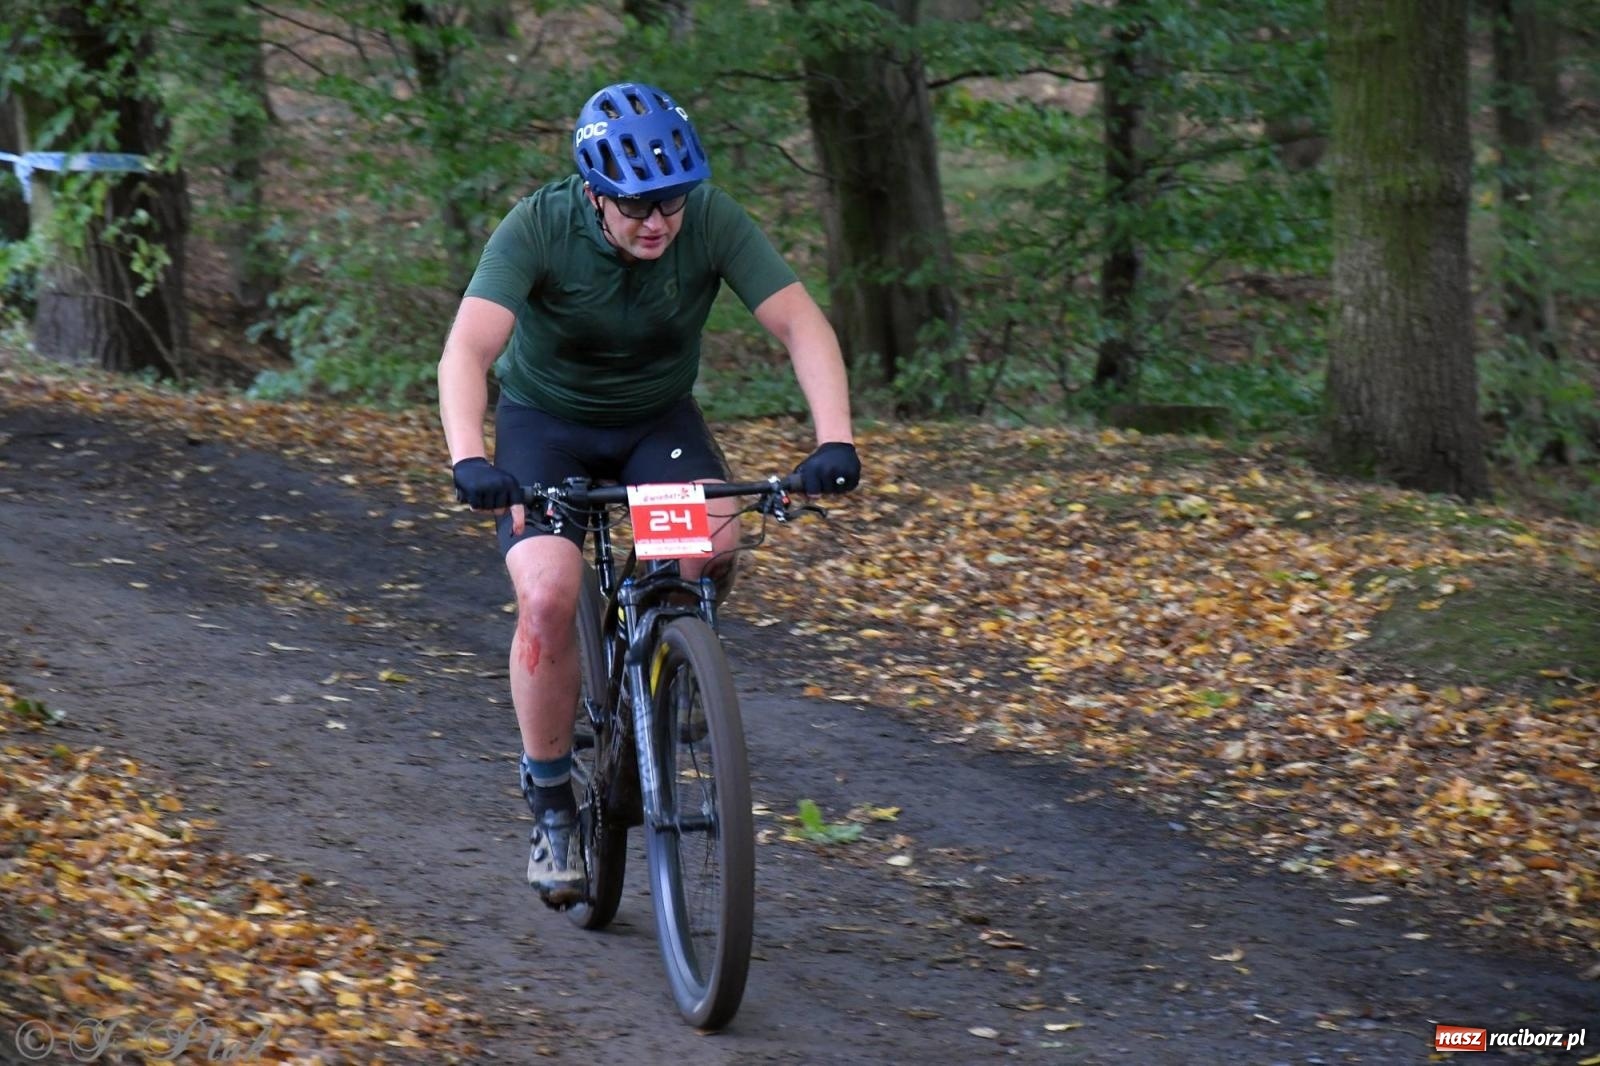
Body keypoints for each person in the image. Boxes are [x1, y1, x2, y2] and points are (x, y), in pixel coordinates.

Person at [436, 81, 860, 908]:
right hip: (546, 426)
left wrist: (835, 438)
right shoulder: (539, 225)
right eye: (635, 206)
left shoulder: (711, 220)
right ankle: (553, 799)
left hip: (654, 424)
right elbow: (467, 350)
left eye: (670, 201)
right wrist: (469, 457)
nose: (657, 221)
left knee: (712, 539)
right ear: (595, 195)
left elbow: (801, 324)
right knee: (550, 597)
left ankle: (668, 651)